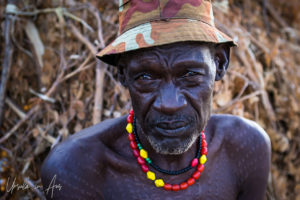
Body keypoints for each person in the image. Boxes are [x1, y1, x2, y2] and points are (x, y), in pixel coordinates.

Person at [41, 0, 271, 199]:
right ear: (122, 73)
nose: (170, 104)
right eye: (146, 77)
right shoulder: (76, 170)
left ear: (219, 63)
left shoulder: (246, 148)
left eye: (190, 74)